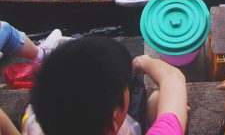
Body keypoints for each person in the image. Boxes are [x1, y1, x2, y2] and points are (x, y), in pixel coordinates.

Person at [27, 37, 187, 135]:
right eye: (124, 85)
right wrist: (144, 61)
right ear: (115, 119)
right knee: (164, 99)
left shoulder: (33, 122)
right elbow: (173, 78)